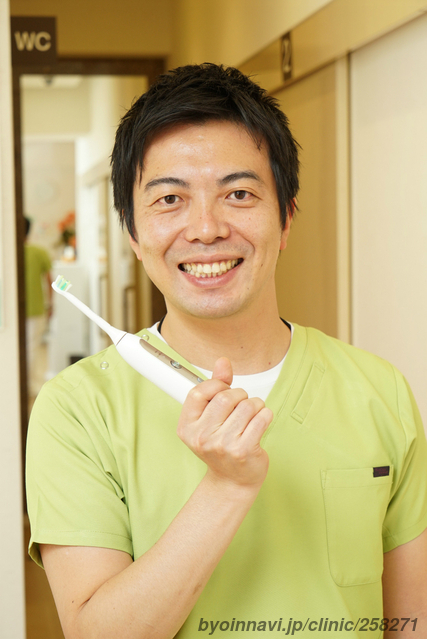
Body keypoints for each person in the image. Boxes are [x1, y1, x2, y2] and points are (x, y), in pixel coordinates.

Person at [26, 64, 427, 638]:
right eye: (170, 199)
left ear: (286, 217)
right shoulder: (76, 409)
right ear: (133, 233)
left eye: (238, 194)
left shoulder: (378, 390)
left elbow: (411, 621)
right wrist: (227, 487)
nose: (206, 229)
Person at [24, 216, 53, 398]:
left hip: (15, 312)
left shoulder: (7, 252)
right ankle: (32, 385)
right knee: (32, 348)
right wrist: (51, 305)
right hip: (36, 308)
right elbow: (50, 281)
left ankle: (22, 384)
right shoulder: (39, 252)